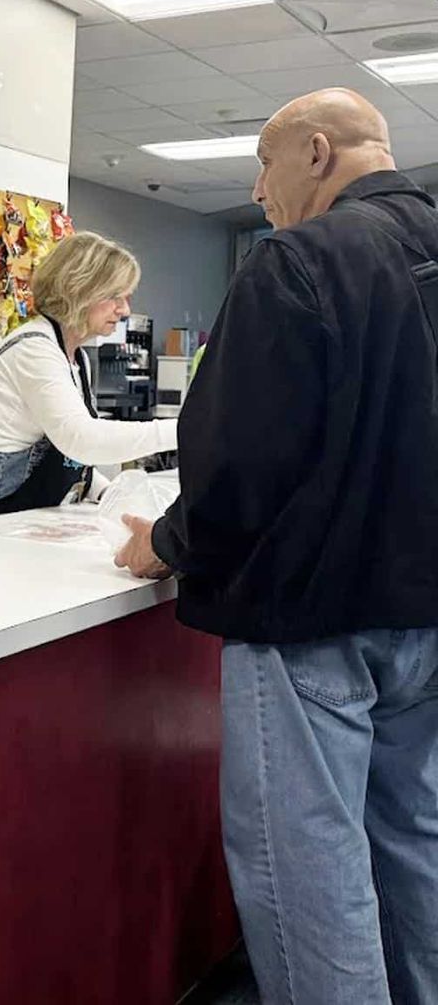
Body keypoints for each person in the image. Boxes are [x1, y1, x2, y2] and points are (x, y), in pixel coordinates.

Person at [116, 88, 438, 1004]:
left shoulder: (298, 262)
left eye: (263, 163)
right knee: (417, 838)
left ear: (317, 152)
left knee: (309, 867)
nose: (258, 190)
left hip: (313, 619)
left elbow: (237, 461)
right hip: (429, 619)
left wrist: (166, 545)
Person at [0, 231, 179, 520]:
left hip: (25, 523)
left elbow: (67, 458)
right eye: (114, 297)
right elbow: (81, 439)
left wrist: (109, 495)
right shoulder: (34, 350)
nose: (124, 310)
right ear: (79, 291)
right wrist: (185, 430)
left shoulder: (75, 356)